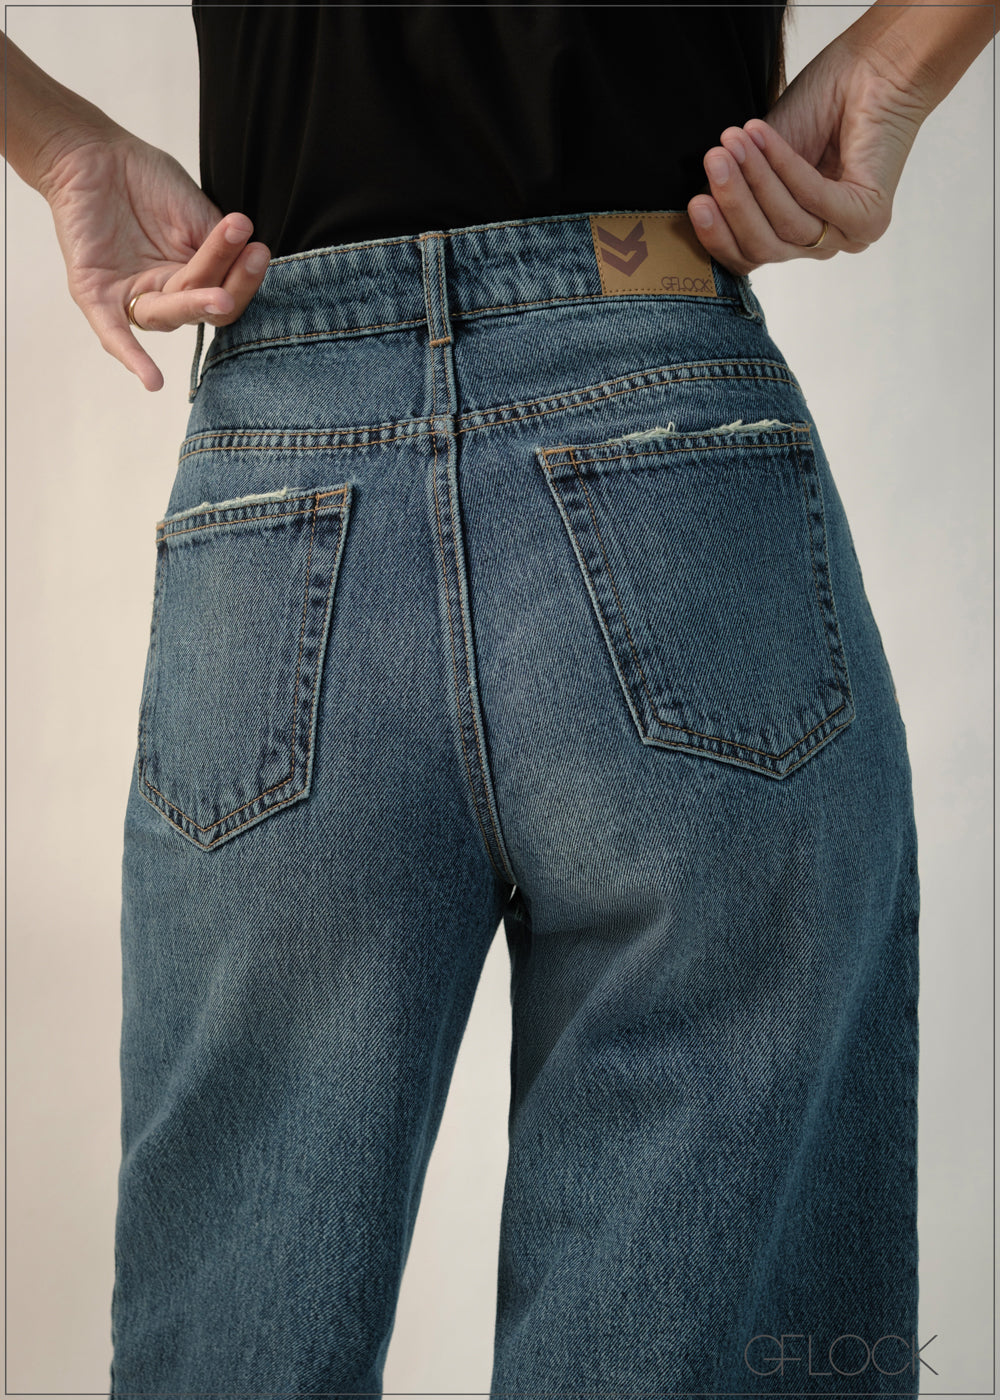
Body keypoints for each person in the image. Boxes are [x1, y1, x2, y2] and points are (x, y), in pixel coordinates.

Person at [2, 3, 994, 1393]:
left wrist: (58, 146)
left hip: (286, 447)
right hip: (657, 400)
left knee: (230, 1350)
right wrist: (899, 55)